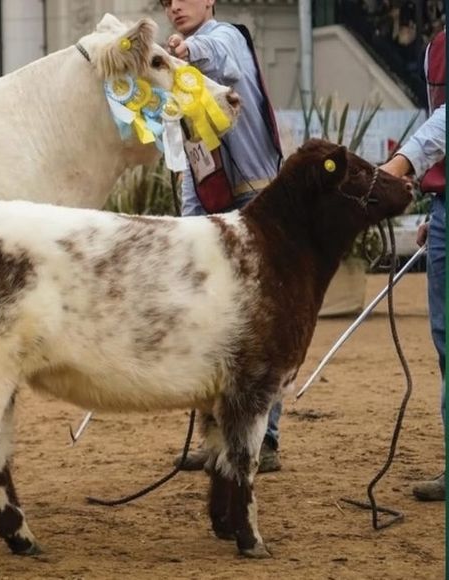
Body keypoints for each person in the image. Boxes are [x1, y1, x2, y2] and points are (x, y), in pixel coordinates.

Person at [160, 0, 285, 473]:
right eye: (167, 1)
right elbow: (197, 158)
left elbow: (211, 51)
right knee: (211, 323)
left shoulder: (225, 39)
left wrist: (184, 49)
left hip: (257, 204)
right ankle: (219, 437)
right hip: (216, 209)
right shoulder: (184, 76)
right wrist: (187, 229)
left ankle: (264, 439)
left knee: (259, 327)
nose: (174, 6)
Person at [379, 26, 445, 502]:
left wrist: (398, 166)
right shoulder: (435, 49)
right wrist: (437, 208)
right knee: (445, 342)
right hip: (443, 212)